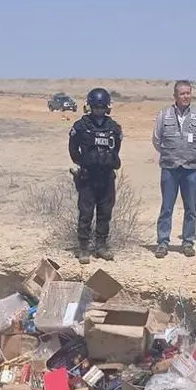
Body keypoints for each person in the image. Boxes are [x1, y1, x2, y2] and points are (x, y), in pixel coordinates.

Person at [151, 80, 196, 258]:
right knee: (167, 207)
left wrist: (193, 154)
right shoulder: (164, 114)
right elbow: (156, 139)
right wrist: (169, 154)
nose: (186, 96)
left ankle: (187, 242)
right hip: (170, 168)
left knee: (190, 208)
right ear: (175, 96)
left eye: (188, 93)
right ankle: (162, 242)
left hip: (191, 169)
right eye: (182, 93)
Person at [68, 87, 124, 264]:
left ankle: (101, 245)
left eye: (102, 107)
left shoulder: (114, 128)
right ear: (89, 107)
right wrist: (84, 163)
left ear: (107, 107)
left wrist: (106, 162)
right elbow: (72, 148)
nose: (99, 110)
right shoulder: (80, 126)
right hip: (88, 177)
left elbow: (116, 149)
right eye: (95, 107)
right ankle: (84, 248)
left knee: (105, 213)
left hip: (106, 176)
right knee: (85, 213)